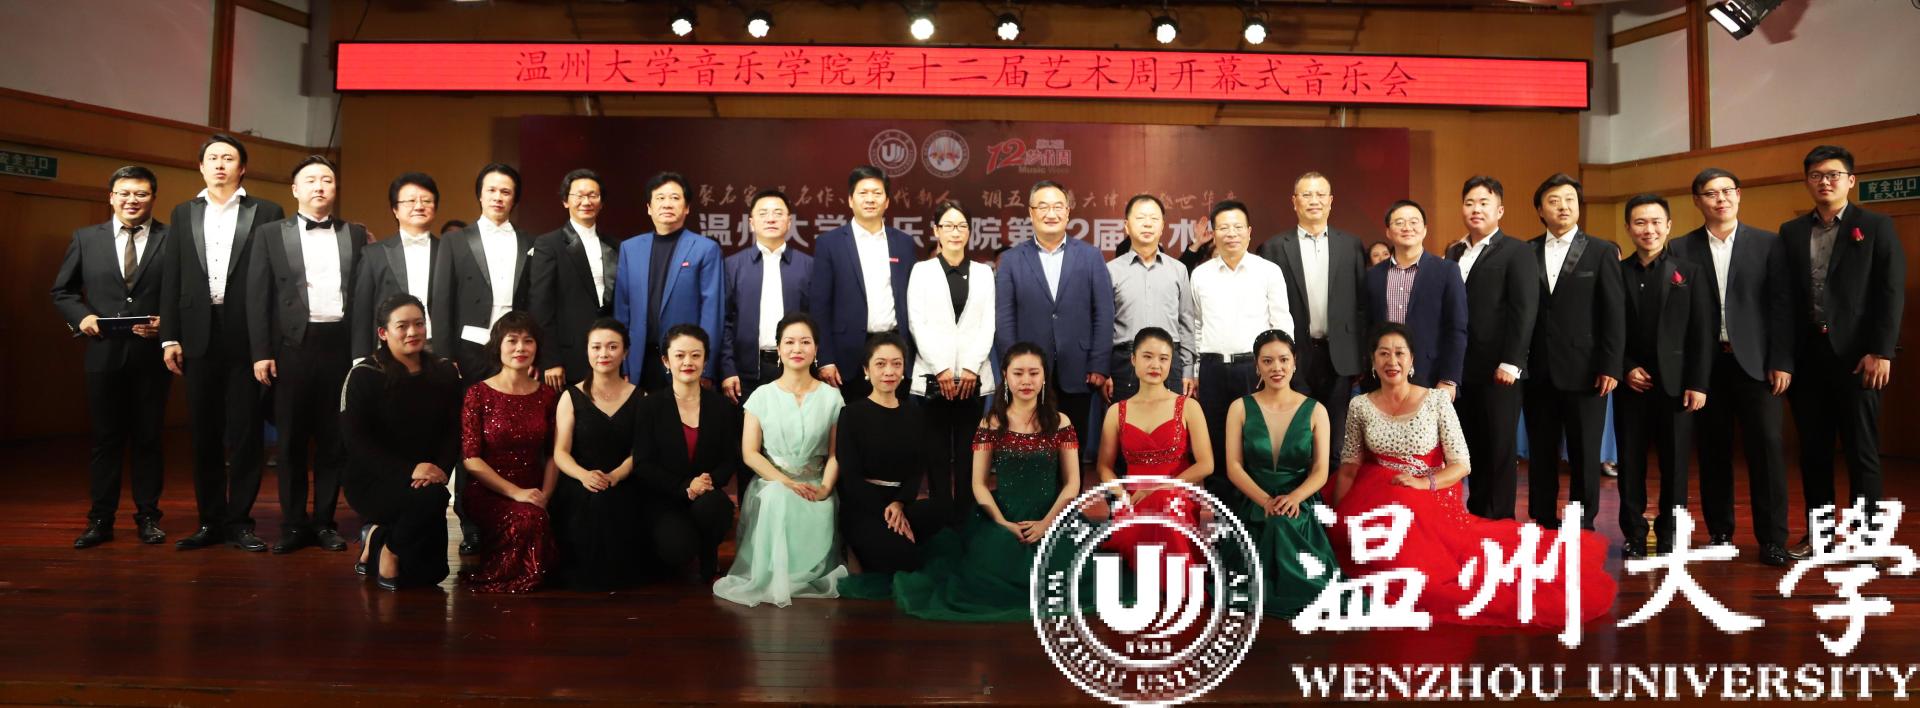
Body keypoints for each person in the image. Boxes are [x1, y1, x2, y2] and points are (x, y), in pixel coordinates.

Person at [1331, 323, 1616, 628]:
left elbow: (1461, 464)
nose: (1392, 361)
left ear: (1412, 359)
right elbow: (1349, 468)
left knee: (1421, 569)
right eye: (1383, 353)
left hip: (1429, 494)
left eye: (1399, 353)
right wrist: (1334, 520)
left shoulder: (1436, 401)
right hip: (1377, 496)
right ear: (1372, 360)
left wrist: (1423, 483)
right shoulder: (1360, 405)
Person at [883, 342, 1082, 622]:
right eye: (1018, 373)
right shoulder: (991, 423)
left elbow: (1073, 483)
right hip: (1002, 517)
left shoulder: (1061, 422)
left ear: (1044, 377)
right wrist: (1002, 523)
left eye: (1034, 373)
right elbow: (978, 483)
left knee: (1069, 580)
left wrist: (1047, 523)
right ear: (1005, 376)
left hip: (1052, 517)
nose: (1026, 381)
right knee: (985, 578)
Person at [1779, 144, 1906, 558]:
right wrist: (1784, 358)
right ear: (1807, 181)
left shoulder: (1876, 226)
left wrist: (1881, 351)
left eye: (1833, 174)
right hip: (1807, 358)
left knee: (1861, 452)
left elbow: (1890, 292)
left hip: (1858, 358)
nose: (1825, 182)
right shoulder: (1791, 231)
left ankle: (1868, 541)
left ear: (1850, 180)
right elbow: (1784, 299)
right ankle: (1819, 537)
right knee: (1813, 453)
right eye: (1816, 175)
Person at [161, 134, 285, 552]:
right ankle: (209, 521)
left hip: (247, 334)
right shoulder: (183, 213)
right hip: (197, 333)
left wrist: (267, 343)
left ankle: (240, 522)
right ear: (201, 167)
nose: (219, 164)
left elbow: (273, 281)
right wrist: (170, 336)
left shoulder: (266, 211)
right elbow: (173, 276)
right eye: (212, 158)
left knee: (247, 432)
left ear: (242, 167)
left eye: (228, 158)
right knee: (204, 433)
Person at [1670, 167, 1797, 561]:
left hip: (1757, 365)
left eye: (1727, 191)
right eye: (1711, 193)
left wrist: (1781, 360)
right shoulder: (1680, 248)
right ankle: (1720, 533)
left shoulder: (1768, 243)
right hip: (1706, 367)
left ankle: (1772, 539)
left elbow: (1782, 307)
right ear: (1697, 201)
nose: (1720, 199)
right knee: (1712, 451)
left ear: (1739, 195)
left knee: (1767, 450)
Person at [249, 155, 368, 554]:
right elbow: (258, 296)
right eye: (311, 180)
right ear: (295, 189)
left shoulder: (355, 233)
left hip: (339, 346)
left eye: (327, 180)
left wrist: (361, 352)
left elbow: (363, 297)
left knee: (334, 441)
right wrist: (261, 352)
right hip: (291, 348)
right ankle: (293, 524)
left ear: (335, 189)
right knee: (290, 443)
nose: (319, 186)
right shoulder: (270, 233)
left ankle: (325, 523)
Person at [52, 165, 172, 548]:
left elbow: (186, 293)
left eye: (140, 194)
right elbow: (63, 291)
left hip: (152, 357)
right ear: (111, 197)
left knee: (149, 440)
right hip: (103, 355)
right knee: (106, 441)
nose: (131, 200)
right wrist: (82, 317)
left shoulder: (174, 239)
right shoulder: (86, 238)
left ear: (153, 198)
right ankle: (100, 520)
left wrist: (167, 324)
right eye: (124, 193)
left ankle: (148, 518)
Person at [714, 313, 848, 607]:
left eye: (805, 342)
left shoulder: (832, 398)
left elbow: (836, 453)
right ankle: (771, 575)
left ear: (816, 349)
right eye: (789, 342)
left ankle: (809, 569)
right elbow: (750, 453)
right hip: (774, 483)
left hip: (816, 484)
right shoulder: (761, 396)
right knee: (778, 497)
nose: (797, 348)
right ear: (778, 348)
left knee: (821, 504)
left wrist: (825, 488)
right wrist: (787, 482)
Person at [1521, 173, 1624, 531]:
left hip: (1587, 370)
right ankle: (1542, 516)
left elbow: (1614, 313)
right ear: (1540, 210)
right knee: (1541, 450)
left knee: (1584, 452)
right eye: (1554, 201)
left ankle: (1583, 520)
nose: (1563, 207)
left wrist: (1611, 365)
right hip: (1538, 369)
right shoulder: (1525, 251)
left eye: (1570, 200)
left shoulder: (1601, 251)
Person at [1615, 194, 1713, 558]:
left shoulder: (1689, 272)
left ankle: (1671, 533)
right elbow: (1609, 331)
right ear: (1629, 228)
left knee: (1675, 465)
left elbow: (1701, 332)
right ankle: (1634, 533)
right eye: (1640, 222)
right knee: (1630, 464)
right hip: (1632, 385)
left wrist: (1698, 383)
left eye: (1656, 222)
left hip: (1677, 386)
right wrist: (1625, 367)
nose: (1649, 229)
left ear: (1668, 226)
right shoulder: (1617, 272)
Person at [339, 294, 457, 590]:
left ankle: (378, 536)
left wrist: (440, 470)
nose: (413, 332)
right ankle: (389, 548)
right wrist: (409, 470)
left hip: (427, 478)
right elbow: (356, 442)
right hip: (374, 478)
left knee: (432, 574)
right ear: (383, 332)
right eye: (402, 326)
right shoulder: (364, 375)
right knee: (432, 499)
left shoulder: (444, 371)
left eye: (419, 324)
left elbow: (454, 431)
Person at [996, 180, 1115, 463]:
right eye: (1043, 206)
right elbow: (1004, 317)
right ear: (1031, 212)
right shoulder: (1012, 260)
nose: (1051, 213)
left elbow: (1104, 312)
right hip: (1028, 374)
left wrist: (1098, 363)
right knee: (1031, 452)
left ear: (1068, 212)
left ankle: (1071, 495)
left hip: (1079, 370)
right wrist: (1013, 367)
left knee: (1072, 450)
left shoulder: (1090, 256)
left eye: (1058, 206)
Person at [1223, 329, 1337, 618]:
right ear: (1257, 366)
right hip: (1252, 500)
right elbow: (1233, 467)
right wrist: (1264, 500)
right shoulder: (1239, 408)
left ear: (1295, 362)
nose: (1277, 368)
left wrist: (1295, 497)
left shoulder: (1316, 410)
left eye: (1284, 360)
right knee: (1272, 523)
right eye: (1268, 361)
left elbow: (1321, 470)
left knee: (1284, 522)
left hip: (1300, 501)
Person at [1445, 176, 1540, 522]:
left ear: (1499, 210)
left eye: (1484, 203)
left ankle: (1499, 522)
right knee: (1470, 447)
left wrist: (1512, 362)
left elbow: (1524, 309)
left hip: (1499, 369)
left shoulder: (1517, 251)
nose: (1476, 209)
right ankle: (1477, 516)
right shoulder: (1454, 252)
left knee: (1499, 448)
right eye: (1470, 202)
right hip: (1462, 368)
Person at [1257, 172, 1368, 452]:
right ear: (1294, 202)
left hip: (1340, 357)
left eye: (1320, 195)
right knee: (1297, 437)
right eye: (1306, 195)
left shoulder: (1351, 245)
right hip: (1294, 355)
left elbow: (1361, 305)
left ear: (1330, 201)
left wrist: (1361, 356)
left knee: (1336, 439)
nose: (1314, 200)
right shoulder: (1273, 248)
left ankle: (1331, 482)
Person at [1190, 199, 1292, 500]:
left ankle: (1257, 510)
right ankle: (1222, 515)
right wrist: (1196, 370)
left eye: (1237, 227)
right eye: (1223, 227)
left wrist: (1278, 367)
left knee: (1256, 442)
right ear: (1213, 233)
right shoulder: (1201, 274)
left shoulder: (1268, 271)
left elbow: (1282, 323)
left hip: (1254, 369)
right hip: (1212, 369)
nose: (1231, 233)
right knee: (1217, 442)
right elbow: (1197, 326)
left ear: (1249, 232)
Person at [907, 200, 996, 527]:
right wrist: (941, 368)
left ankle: (965, 522)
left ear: (970, 231)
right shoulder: (922, 271)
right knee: (937, 456)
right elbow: (917, 323)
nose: (955, 232)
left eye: (961, 226)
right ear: (936, 231)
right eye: (948, 226)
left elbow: (988, 324)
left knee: (969, 455)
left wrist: (971, 366)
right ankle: (941, 522)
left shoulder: (984, 273)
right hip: (933, 379)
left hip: (974, 379)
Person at [1094, 327, 1213, 567]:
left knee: (1165, 505)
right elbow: (1104, 467)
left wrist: (1159, 488)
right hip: (1133, 497)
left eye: (1163, 358)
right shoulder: (1116, 411)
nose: (1155, 365)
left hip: (1177, 494)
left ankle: (1176, 578)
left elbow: (1206, 464)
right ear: (1133, 359)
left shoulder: (1188, 406)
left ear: (1171, 363)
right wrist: (1123, 496)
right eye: (1147, 356)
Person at [459, 312, 559, 593]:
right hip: (488, 491)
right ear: (498, 346)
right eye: (512, 340)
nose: (520, 348)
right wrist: (516, 493)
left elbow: (554, 455)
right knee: (529, 519)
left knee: (536, 516)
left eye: (528, 341)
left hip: (535, 489)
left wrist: (545, 496)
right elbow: (471, 459)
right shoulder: (478, 393)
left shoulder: (548, 396)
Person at [633, 324, 741, 581]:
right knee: (676, 549)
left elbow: (730, 458)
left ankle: (708, 552)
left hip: (707, 496)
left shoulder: (721, 407)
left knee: (716, 508)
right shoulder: (650, 406)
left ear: (705, 360)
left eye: (695, 355)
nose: (688, 362)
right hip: (665, 497)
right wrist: (685, 487)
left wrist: (707, 482)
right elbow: (643, 464)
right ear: (666, 361)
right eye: (679, 355)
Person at [837, 334, 946, 577]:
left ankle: (897, 537)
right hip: (864, 506)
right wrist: (887, 511)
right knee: (906, 560)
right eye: (880, 364)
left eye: (896, 364)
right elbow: (850, 477)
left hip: (900, 502)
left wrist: (899, 504)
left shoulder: (915, 415)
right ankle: (862, 547)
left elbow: (917, 469)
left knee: (939, 511)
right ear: (866, 370)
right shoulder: (851, 414)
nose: (889, 371)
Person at [548, 318, 643, 590]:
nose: (604, 354)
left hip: (625, 479)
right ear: (587, 351)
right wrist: (584, 476)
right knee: (592, 503)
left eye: (613, 347)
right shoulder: (570, 396)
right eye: (596, 347)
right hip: (579, 480)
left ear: (625, 352)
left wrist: (616, 476)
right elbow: (560, 453)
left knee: (614, 502)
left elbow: (641, 451)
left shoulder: (641, 397)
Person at [809, 165, 917, 402]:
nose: (870, 199)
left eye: (877, 193)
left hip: (895, 347)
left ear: (887, 201)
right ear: (850, 200)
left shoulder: (904, 243)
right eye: (863, 193)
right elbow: (819, 307)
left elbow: (914, 301)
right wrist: (825, 358)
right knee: (852, 419)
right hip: (847, 354)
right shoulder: (830, 243)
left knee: (895, 417)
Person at [613, 171, 724, 389]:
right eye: (660, 198)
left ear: (687, 207)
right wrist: (622, 364)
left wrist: (706, 367)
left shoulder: (705, 249)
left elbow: (712, 312)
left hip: (686, 361)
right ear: (649, 207)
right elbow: (622, 309)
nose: (667, 204)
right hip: (639, 359)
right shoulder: (630, 248)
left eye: (674, 198)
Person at [432, 163, 534, 383]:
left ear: (514, 199)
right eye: (491, 190)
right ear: (480, 195)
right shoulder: (454, 241)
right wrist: (444, 356)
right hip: (469, 347)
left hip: (517, 346)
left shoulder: (530, 242)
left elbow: (535, 300)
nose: (498, 197)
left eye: (505, 192)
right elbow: (442, 301)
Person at [722, 188, 812, 410]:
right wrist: (727, 369)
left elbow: (817, 320)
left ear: (789, 222)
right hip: (746, 373)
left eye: (778, 213)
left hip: (795, 369)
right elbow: (724, 322)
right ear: (751, 223)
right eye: (763, 213)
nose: (771, 219)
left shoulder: (809, 266)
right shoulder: (732, 266)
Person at [529, 169, 619, 388]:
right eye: (579, 195)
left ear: (601, 203)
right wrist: (550, 359)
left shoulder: (615, 245)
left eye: (593, 195)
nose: (586, 201)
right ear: (565, 201)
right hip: (567, 357)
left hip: (608, 353)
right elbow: (541, 305)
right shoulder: (548, 244)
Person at [1366, 200, 1467, 390]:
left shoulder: (1447, 271)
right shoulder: (1373, 276)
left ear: (1425, 229)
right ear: (1388, 232)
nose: (1407, 227)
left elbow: (1456, 328)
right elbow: (1367, 327)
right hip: (1382, 377)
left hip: (1431, 376)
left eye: (1414, 222)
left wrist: (1449, 379)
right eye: (1399, 222)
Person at [1106, 194, 1196, 402]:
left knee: (1170, 421)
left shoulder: (1178, 270)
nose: (1147, 224)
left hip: (1169, 360)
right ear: (1127, 226)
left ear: (1162, 226)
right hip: (1124, 362)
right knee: (1125, 421)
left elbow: (1186, 322)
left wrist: (1188, 369)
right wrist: (1105, 370)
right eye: (1140, 218)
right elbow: (1104, 325)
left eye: (1154, 219)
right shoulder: (1111, 271)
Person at [350, 172, 444, 361]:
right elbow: (362, 311)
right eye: (410, 201)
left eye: (426, 201)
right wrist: (360, 357)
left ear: (435, 207)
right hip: (389, 348)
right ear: (395, 209)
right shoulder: (373, 254)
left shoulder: (448, 251)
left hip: (436, 347)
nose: (419, 206)